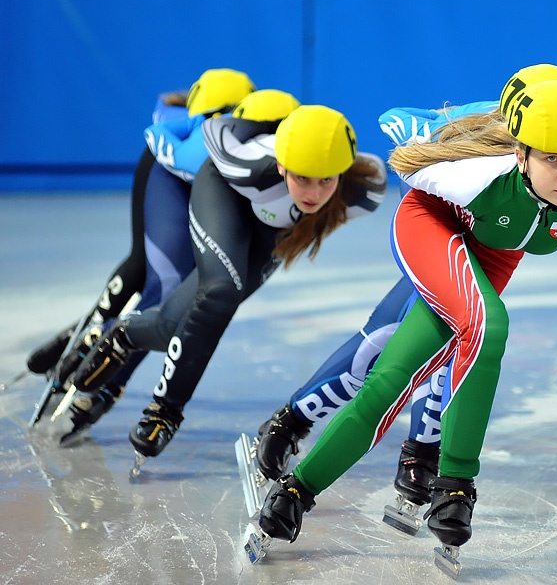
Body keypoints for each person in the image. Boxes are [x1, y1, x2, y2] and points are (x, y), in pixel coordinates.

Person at [255, 67, 557, 571]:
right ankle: (455, 485)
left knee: (394, 377)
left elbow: (525, 221)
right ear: (520, 152)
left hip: (492, 248)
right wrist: (416, 125)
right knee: (487, 326)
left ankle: (297, 489)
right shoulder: (470, 171)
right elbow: (409, 132)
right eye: (552, 159)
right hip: (431, 222)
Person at [67, 101, 388, 471]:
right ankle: (166, 410)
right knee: (220, 293)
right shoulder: (244, 160)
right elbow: (202, 133)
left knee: (174, 325)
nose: (313, 193)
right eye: (302, 177)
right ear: (282, 164)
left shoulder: (366, 187)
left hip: (271, 230)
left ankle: (123, 335)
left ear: (342, 172)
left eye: (326, 180)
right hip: (224, 191)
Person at [26, 68, 257, 434]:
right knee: (160, 280)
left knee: (161, 283)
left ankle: (88, 343)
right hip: (169, 173)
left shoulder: (252, 141)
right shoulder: (199, 141)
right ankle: (100, 361)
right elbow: (164, 141)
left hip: (200, 179)